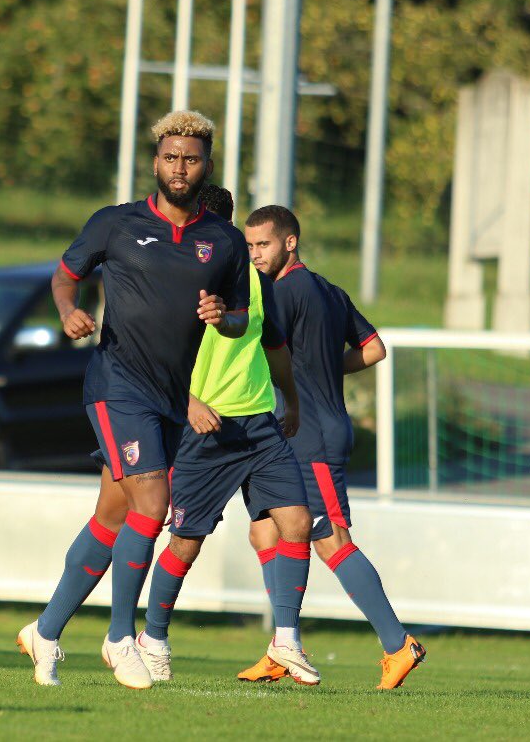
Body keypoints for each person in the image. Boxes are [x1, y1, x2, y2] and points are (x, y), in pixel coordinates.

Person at [17, 111, 252, 689]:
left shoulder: (223, 240)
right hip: (115, 384)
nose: (180, 167)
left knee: (113, 514)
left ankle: (45, 631)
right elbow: (66, 274)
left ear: (208, 164)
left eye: (191, 158)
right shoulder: (116, 224)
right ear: (156, 161)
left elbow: (241, 314)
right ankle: (122, 637)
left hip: (170, 398)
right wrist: (69, 309)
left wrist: (224, 317)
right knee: (154, 500)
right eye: (171, 156)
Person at [134, 184, 320, 685]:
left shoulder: (254, 282)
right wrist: (187, 403)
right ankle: (152, 637)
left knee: (297, 522)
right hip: (206, 430)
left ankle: (286, 640)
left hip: (258, 424)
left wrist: (292, 400)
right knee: (187, 545)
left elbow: (274, 344)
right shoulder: (173, 280)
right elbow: (149, 355)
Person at [244, 205, 426, 690]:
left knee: (330, 540)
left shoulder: (282, 291)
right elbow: (373, 348)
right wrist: (323, 368)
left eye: (262, 244)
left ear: (289, 243)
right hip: (297, 433)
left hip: (312, 435)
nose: (255, 254)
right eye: (249, 246)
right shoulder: (329, 290)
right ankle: (283, 647)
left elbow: (262, 349)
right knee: (265, 532)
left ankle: (397, 644)